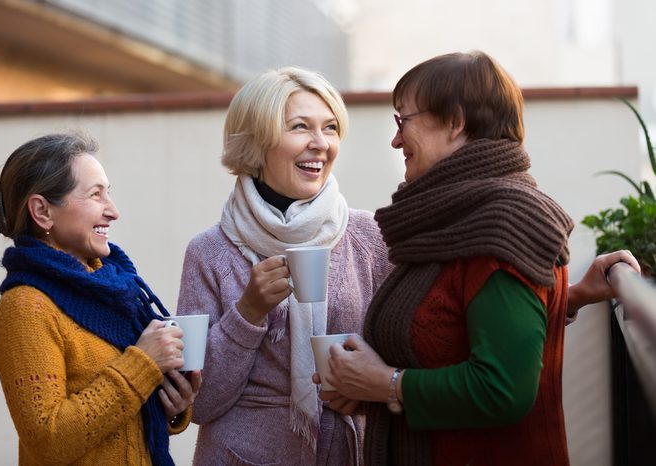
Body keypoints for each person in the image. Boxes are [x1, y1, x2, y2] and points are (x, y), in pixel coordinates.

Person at [318, 51, 642, 466]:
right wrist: (570, 296)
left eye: (404, 121)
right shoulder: (463, 217)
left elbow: (503, 388)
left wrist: (387, 384)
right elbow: (474, 320)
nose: (396, 140)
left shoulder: (502, 223)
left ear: (455, 122)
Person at [176, 67, 392, 465]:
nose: (320, 144)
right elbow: (198, 404)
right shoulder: (209, 252)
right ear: (258, 142)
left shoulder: (369, 237)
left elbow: (403, 362)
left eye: (330, 128)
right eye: (300, 127)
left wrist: (367, 389)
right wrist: (248, 312)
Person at [0, 132, 201, 465]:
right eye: (95, 195)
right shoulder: (26, 310)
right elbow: (49, 441)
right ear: (42, 211)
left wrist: (168, 404)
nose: (113, 211)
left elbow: (117, 420)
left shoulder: (116, 291)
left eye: (108, 194)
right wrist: (143, 364)